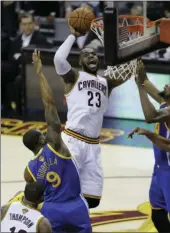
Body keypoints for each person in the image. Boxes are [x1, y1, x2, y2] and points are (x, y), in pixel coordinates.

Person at [53, 23, 133, 208]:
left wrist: (134, 50)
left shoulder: (107, 83)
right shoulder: (74, 76)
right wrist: (72, 35)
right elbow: (58, 59)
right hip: (72, 141)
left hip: (93, 146)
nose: (92, 56)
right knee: (63, 190)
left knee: (92, 200)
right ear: (80, 61)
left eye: (94, 54)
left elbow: (128, 71)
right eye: (87, 54)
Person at [23, 50, 91, 233]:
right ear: (41, 138)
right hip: (75, 206)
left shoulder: (29, 172)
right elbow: (50, 103)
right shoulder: (54, 145)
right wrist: (39, 73)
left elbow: (32, 196)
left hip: (51, 210)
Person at [134, 60, 170, 232]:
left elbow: (150, 116)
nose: (167, 84)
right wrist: (138, 67)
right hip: (160, 168)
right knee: (157, 215)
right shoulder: (165, 101)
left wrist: (139, 88)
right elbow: (146, 81)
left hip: (169, 171)